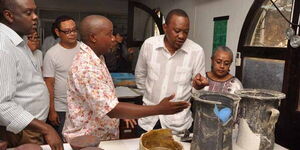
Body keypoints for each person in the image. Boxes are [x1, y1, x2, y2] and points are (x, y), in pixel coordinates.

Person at [62, 15, 190, 142]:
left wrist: (123, 114)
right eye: (109, 34)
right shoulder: (86, 67)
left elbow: (103, 102)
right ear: (93, 37)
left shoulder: (97, 58)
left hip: (98, 137)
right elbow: (111, 109)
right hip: (84, 141)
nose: (113, 39)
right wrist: (159, 109)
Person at [0, 0, 63, 149]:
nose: (35, 17)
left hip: (32, 127)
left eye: (35, 12)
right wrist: (46, 128)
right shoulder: (3, 47)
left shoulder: (18, 41)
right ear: (9, 15)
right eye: (29, 13)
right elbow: (2, 105)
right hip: (21, 130)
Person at [134, 9, 208, 135]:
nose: (182, 36)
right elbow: (140, 76)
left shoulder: (196, 51)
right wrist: (150, 98)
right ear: (165, 27)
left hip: (179, 124)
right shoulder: (149, 45)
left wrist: (198, 87)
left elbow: (199, 91)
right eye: (177, 31)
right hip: (148, 121)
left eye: (186, 32)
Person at [43, 15, 80, 140]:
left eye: (74, 30)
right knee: (63, 142)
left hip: (82, 107)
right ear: (58, 32)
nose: (72, 34)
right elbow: (49, 83)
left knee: (81, 141)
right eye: (67, 31)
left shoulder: (85, 50)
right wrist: (51, 110)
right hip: (61, 108)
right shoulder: (51, 54)